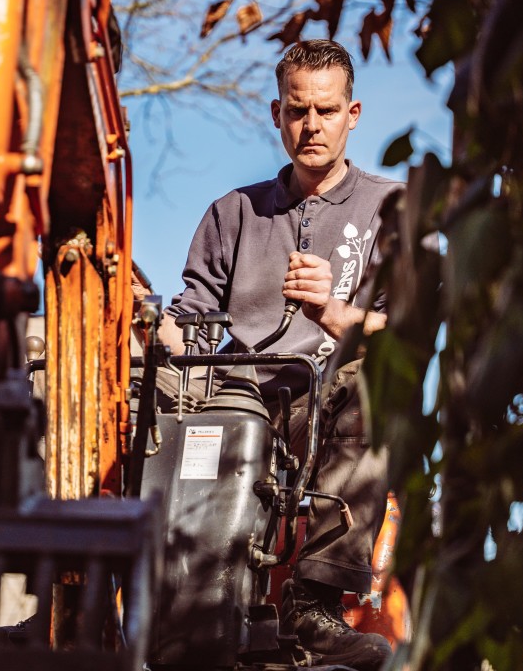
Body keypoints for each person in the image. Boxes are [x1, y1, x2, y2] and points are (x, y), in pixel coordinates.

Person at [157, 38, 397, 671]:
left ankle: (312, 603)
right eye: (297, 110)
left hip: (325, 405)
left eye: (325, 109)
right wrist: (150, 330)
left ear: (354, 113)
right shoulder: (233, 212)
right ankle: (82, 593)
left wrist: (336, 314)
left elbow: (413, 332)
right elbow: (191, 321)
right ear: (276, 114)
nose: (310, 125)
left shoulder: (391, 210)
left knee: (374, 380)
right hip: (232, 402)